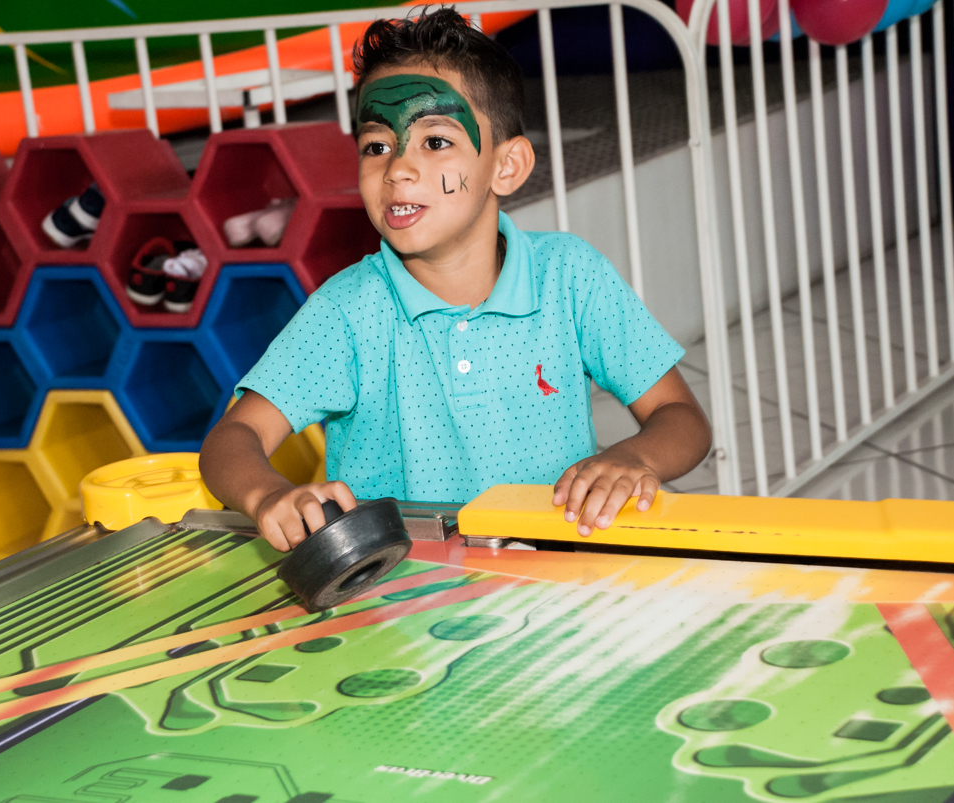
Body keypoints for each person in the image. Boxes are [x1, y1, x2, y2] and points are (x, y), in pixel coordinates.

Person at [200, 7, 712, 552]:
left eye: (435, 141)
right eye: (376, 146)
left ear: (506, 166)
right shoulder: (347, 310)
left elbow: (681, 418)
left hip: (554, 582)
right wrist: (267, 493)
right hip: (405, 602)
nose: (397, 168)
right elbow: (233, 438)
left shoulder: (569, 276)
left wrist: (634, 457)